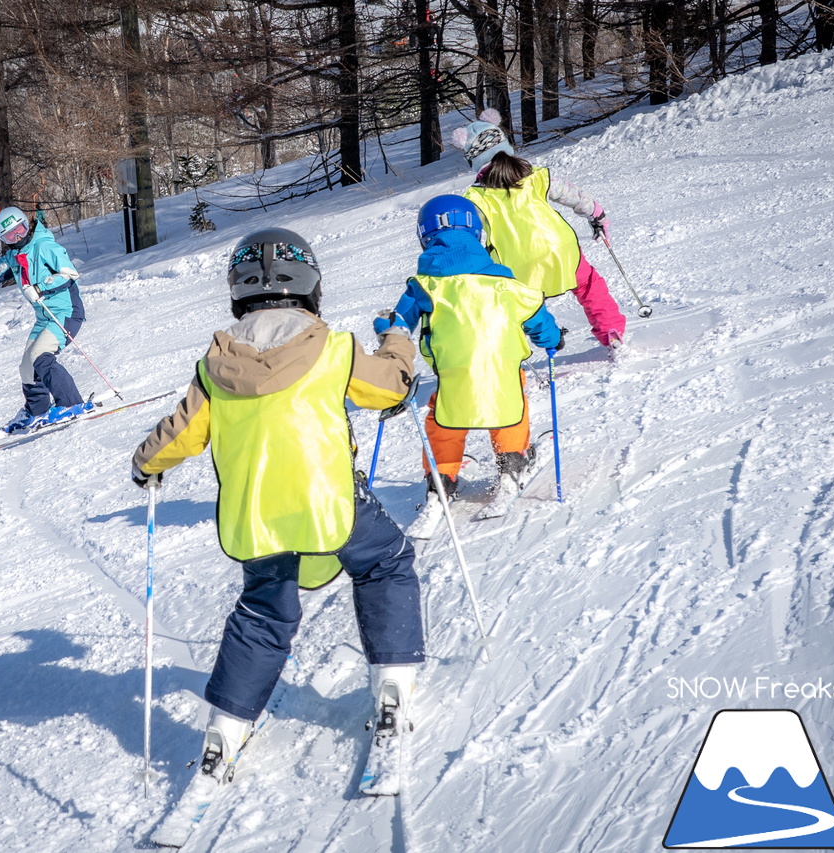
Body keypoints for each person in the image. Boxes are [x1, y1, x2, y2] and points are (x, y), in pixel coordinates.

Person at [130, 227, 425, 785]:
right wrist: (397, 342)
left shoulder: (216, 366)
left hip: (255, 514)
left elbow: (182, 434)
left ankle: (225, 729)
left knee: (265, 610)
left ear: (238, 291)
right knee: (384, 562)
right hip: (329, 500)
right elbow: (391, 387)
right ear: (310, 284)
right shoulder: (333, 348)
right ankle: (392, 683)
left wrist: (147, 464)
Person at [381, 195, 562, 525]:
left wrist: (386, 328)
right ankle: (512, 465)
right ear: (477, 233)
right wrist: (551, 339)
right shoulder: (503, 280)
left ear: (424, 236)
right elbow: (536, 313)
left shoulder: (424, 285)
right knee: (509, 406)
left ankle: (442, 482)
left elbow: (398, 323)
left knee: (445, 419)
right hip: (501, 370)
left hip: (453, 375)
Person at [453, 109, 626, 350]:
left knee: (519, 305)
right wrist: (597, 215)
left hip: (515, 262)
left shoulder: (474, 198)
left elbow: (466, 235)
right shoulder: (536, 176)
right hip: (561, 250)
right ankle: (612, 332)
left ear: (474, 160)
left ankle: (523, 353)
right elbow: (574, 195)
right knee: (588, 285)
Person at [0, 207, 92, 433]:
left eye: (20, 230)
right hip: (44, 317)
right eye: (10, 236)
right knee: (27, 367)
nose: (18, 237)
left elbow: (70, 274)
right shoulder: (14, 257)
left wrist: (41, 288)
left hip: (66, 312)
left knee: (40, 356)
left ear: (27, 224)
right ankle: (37, 410)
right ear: (4, 240)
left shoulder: (44, 246)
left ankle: (71, 404)